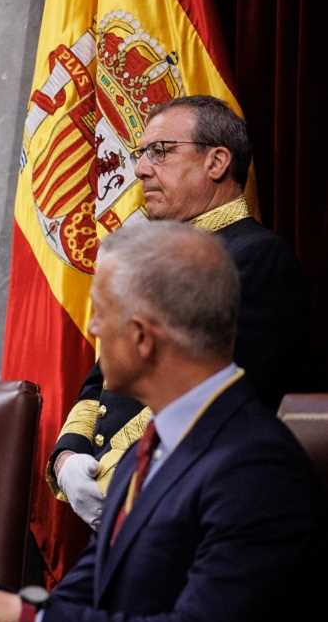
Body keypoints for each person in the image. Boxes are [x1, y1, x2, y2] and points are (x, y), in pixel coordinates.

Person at [0, 222, 326, 622]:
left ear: (142, 337)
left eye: (100, 313)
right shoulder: (151, 448)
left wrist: (19, 617)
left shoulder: (254, 468)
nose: (93, 328)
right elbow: (86, 599)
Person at [49, 95, 321, 529]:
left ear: (216, 162)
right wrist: (69, 456)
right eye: (141, 154)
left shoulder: (257, 258)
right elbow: (101, 381)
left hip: (188, 506)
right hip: (128, 500)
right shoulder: (155, 261)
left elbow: (212, 397)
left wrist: (114, 473)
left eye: (160, 151)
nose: (140, 168)